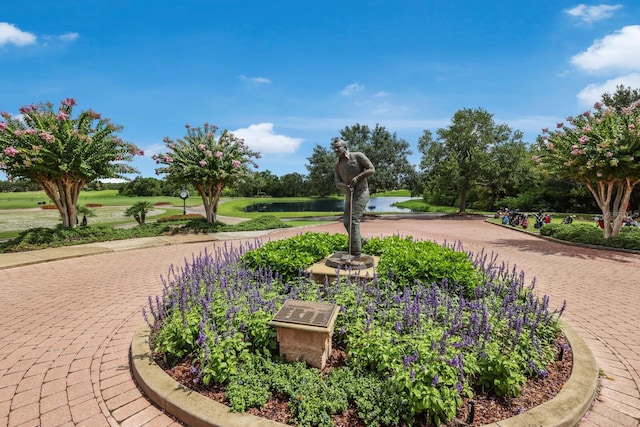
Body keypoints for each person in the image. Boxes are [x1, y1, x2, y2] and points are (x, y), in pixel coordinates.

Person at [332, 138, 375, 258]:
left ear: (345, 147)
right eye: (334, 148)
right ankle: (361, 241)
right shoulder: (337, 165)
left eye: (338, 147)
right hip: (349, 193)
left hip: (361, 192)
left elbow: (372, 169)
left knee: (353, 221)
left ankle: (356, 253)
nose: (335, 150)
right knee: (346, 222)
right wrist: (345, 185)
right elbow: (337, 183)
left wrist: (358, 177)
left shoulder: (358, 156)